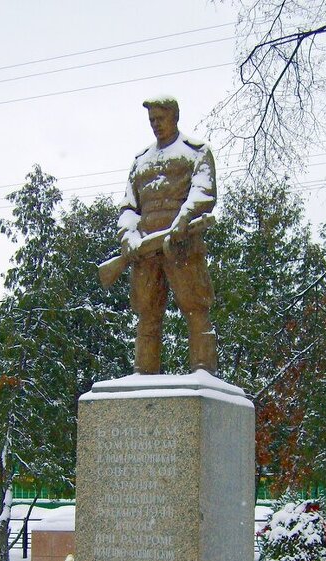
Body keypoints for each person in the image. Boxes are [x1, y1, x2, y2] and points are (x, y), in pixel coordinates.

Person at [118, 96, 218, 374]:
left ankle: (203, 371)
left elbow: (203, 192)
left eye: (160, 119)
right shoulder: (141, 161)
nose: (155, 125)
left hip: (182, 244)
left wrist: (183, 219)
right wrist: (129, 236)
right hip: (146, 249)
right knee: (147, 314)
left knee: (196, 309)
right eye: (151, 120)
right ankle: (143, 373)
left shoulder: (195, 152)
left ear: (174, 116)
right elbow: (129, 206)